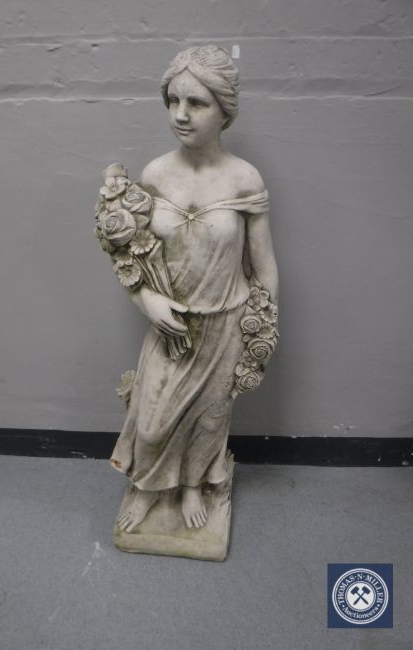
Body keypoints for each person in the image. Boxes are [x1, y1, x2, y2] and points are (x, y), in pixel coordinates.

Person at [109, 45, 278, 533]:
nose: (180, 115)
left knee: (210, 420)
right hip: (171, 328)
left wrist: (262, 332)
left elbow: (264, 264)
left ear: (224, 111)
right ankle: (147, 487)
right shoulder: (155, 175)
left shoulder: (244, 179)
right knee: (151, 421)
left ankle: (191, 487)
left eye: (196, 103)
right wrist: (146, 301)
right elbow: (128, 256)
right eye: (173, 101)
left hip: (225, 323)